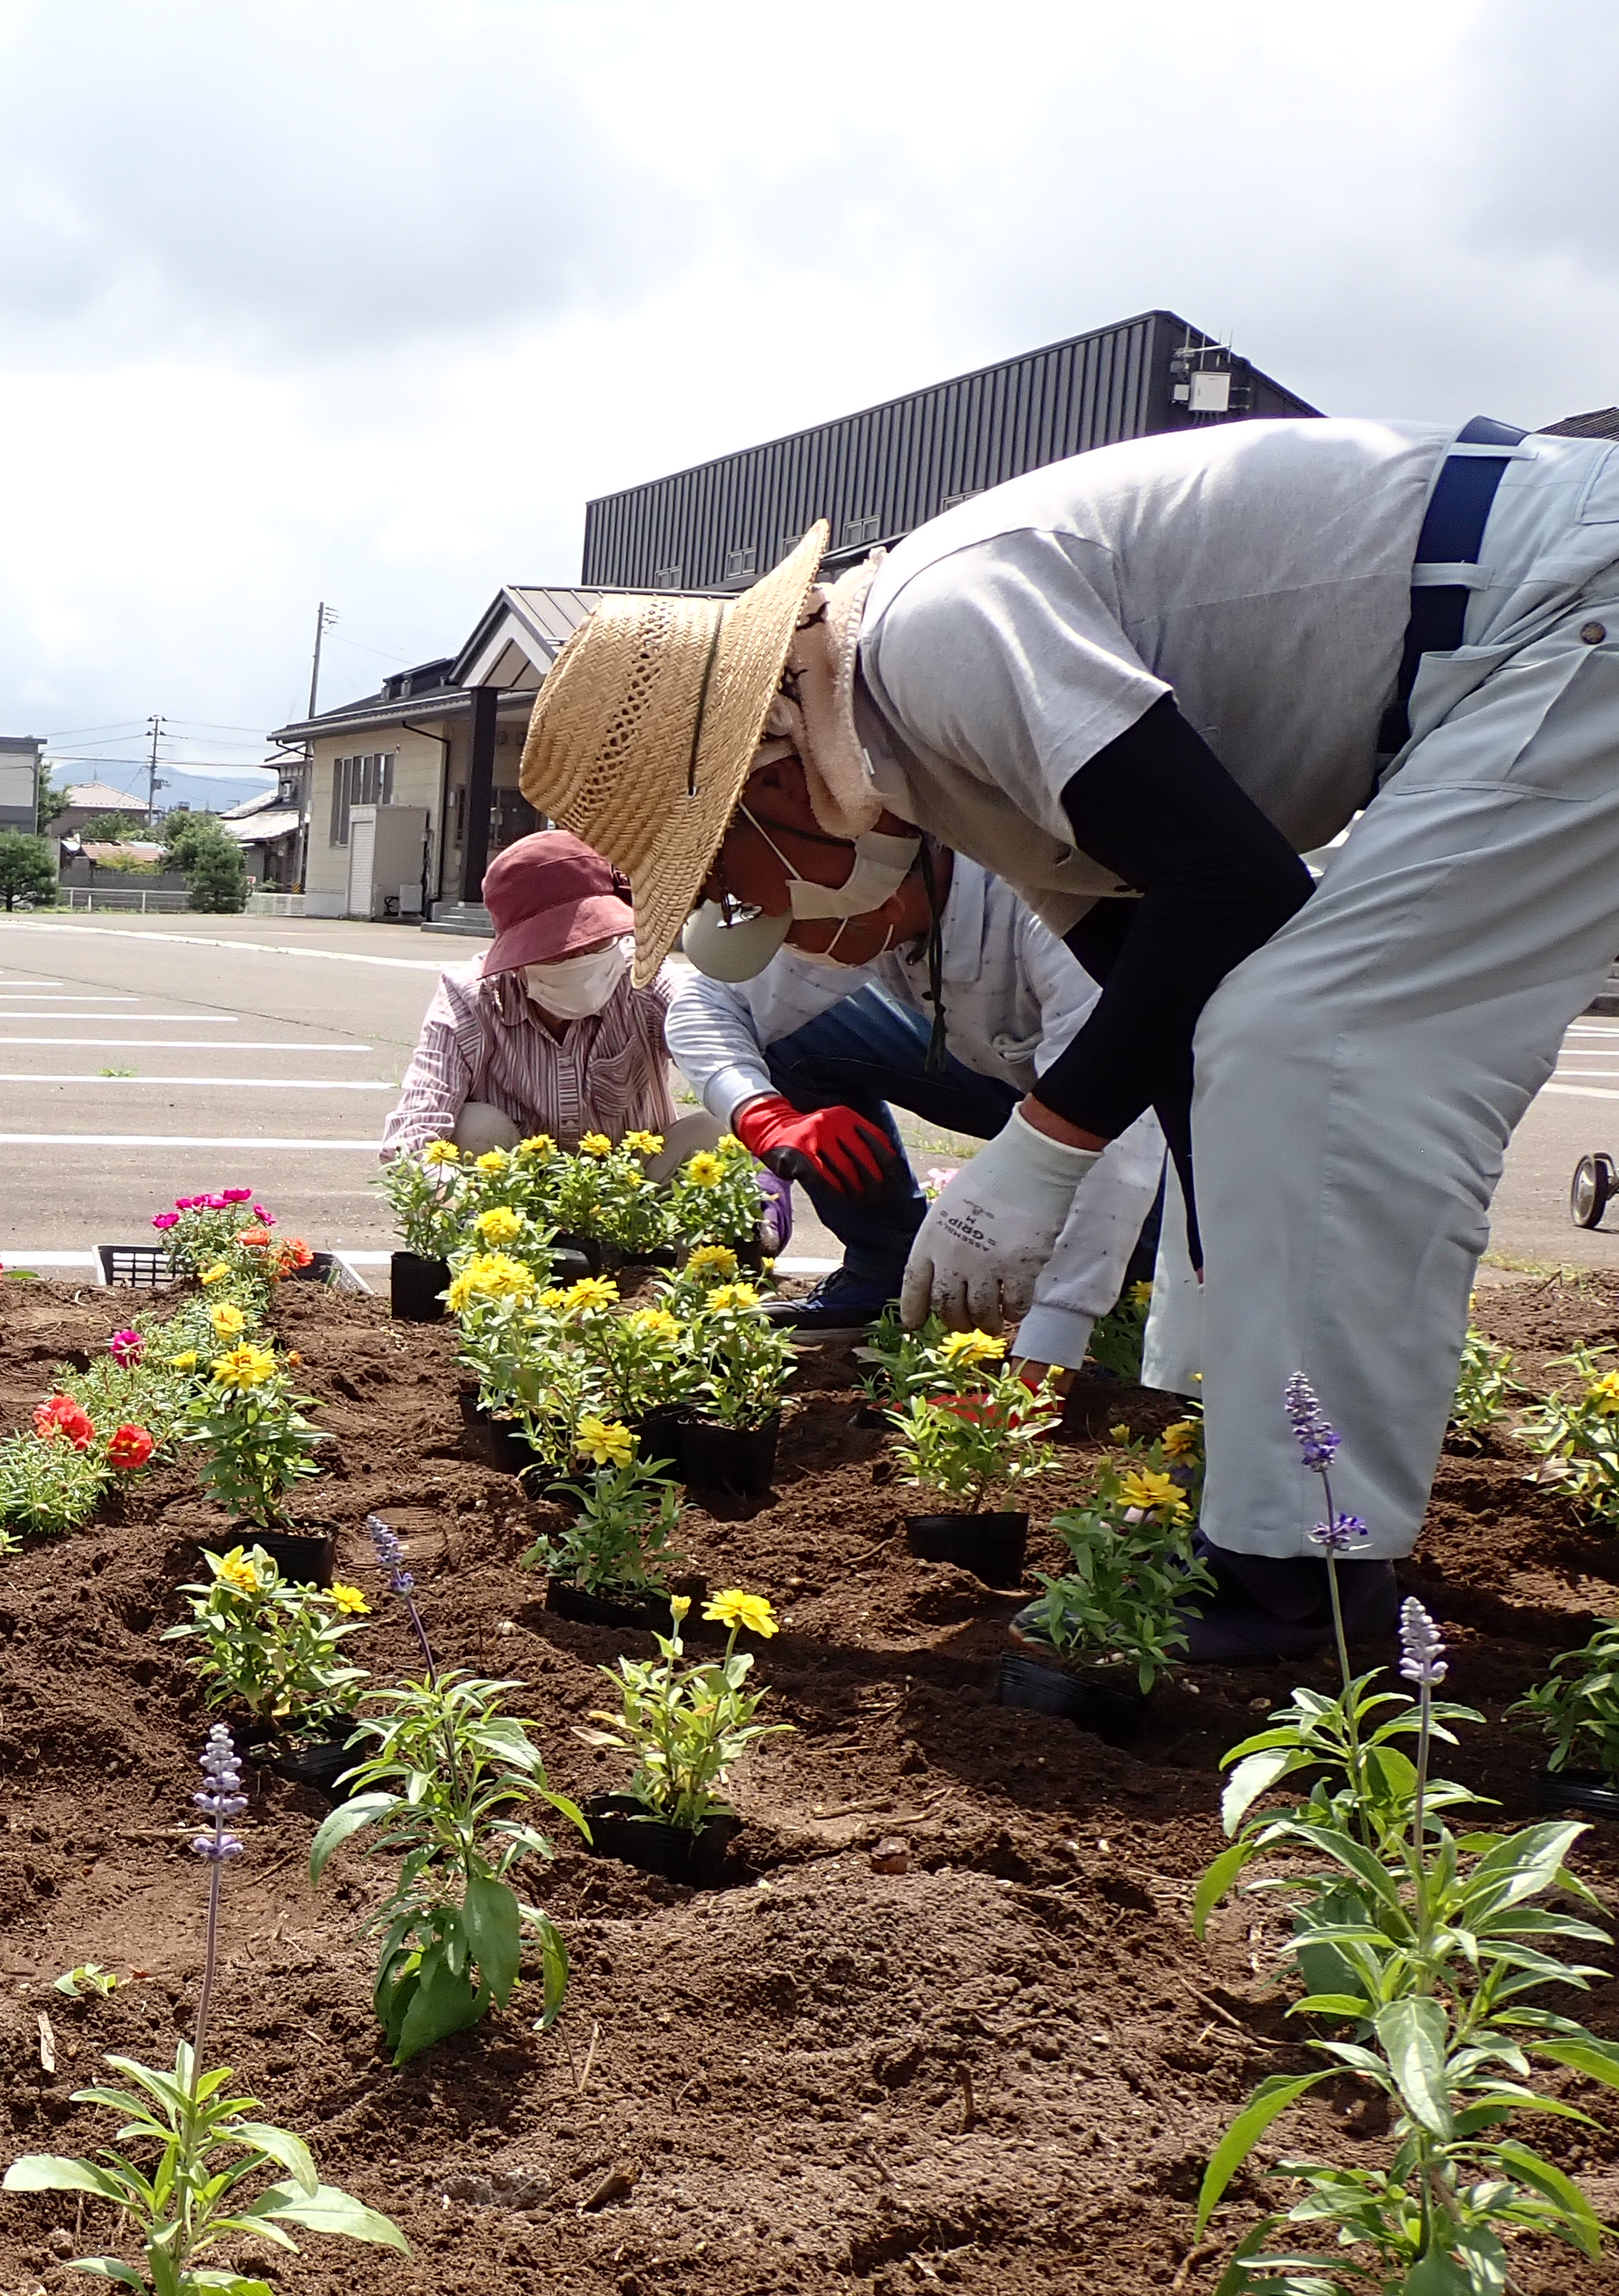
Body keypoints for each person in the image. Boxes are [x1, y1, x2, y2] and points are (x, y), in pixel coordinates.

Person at [522, 410, 1619, 1656]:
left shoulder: (936, 640)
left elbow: (1238, 893)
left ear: (763, 782)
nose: (759, 917)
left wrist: (1035, 1161)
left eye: (728, 882)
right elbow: (1172, 999)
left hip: (1568, 613)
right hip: (1516, 646)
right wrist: (1201, 1298)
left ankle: (1296, 1580)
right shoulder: (919, 744)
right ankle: (1272, 1528)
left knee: (1320, 1050)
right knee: (1260, 1048)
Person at [664, 846, 1165, 1360]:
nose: (788, 951)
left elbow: (1122, 1131)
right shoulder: (860, 887)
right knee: (789, 1041)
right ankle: (886, 1267)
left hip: (1156, 1115)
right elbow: (709, 1003)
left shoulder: (1051, 911)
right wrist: (763, 1117)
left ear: (879, 910)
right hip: (1004, 1073)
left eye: (790, 933)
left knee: (1146, 1287)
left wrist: (1054, 1336)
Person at [376, 831, 730, 1166]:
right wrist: (460, 1211)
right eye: (558, 952)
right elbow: (411, 1137)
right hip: (511, 1197)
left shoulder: (645, 977)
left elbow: (720, 1057)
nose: (582, 960)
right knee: (473, 1127)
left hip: (635, 1194)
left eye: (597, 941)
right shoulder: (470, 999)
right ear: (516, 960)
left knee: (717, 1129)